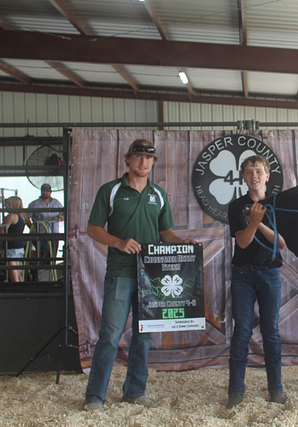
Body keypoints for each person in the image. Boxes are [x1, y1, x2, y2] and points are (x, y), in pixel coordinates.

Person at [84, 139, 197, 412]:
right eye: (137, 156)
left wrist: (183, 243)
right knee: (110, 335)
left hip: (152, 276)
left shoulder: (159, 194)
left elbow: (165, 232)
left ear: (153, 162)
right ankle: (95, 397)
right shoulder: (110, 190)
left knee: (144, 336)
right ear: (128, 159)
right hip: (121, 273)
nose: (143, 162)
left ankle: (134, 392)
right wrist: (118, 242)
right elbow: (92, 228)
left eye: (148, 158)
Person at [226, 155, 287, 409]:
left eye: (259, 171)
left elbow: (281, 243)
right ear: (243, 177)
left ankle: (276, 389)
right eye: (249, 172)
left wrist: (257, 223)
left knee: (271, 332)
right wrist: (253, 222)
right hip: (243, 274)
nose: (254, 176)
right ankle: (235, 391)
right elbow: (242, 242)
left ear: (267, 176)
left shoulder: (277, 205)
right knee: (242, 331)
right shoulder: (236, 206)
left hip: (270, 272)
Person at [28, 183, 64, 259]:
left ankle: (52, 266)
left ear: (50, 192)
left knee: (53, 255)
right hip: (41, 234)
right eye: (43, 191)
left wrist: (62, 216)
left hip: (54, 234)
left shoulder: (56, 203)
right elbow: (26, 218)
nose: (45, 192)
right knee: (43, 254)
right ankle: (44, 266)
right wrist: (32, 229)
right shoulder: (34, 204)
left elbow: (64, 215)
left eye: (47, 191)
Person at [1, 196, 31, 282]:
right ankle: (21, 287)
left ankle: (17, 287)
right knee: (18, 271)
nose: (6, 205)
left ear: (14, 205)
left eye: (8, 204)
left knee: (13, 271)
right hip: (19, 246)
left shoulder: (11, 216)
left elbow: (2, 231)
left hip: (11, 246)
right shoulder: (22, 216)